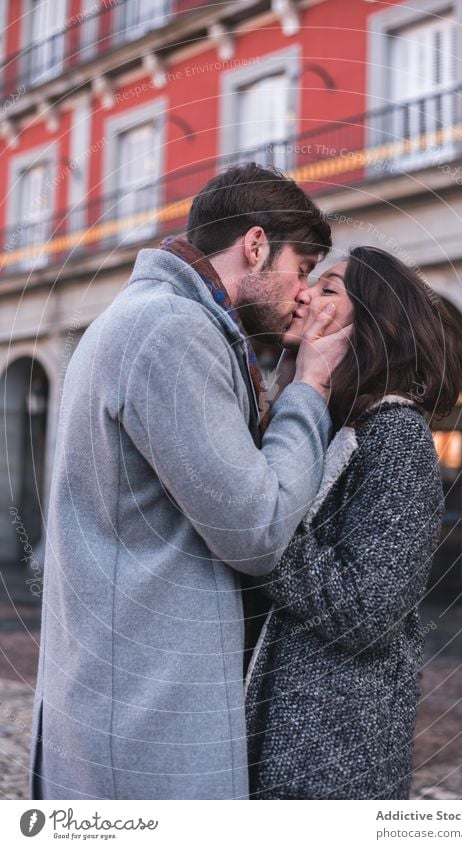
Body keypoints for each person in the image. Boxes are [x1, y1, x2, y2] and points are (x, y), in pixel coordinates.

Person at [30, 163, 349, 800]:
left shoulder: (151, 317)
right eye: (303, 267)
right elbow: (254, 528)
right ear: (254, 246)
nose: (306, 292)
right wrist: (310, 388)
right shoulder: (173, 331)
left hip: (124, 702)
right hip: (148, 723)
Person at [246, 246, 462, 799]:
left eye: (329, 290)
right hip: (276, 733)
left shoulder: (396, 436)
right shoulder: (322, 421)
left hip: (332, 754)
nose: (303, 295)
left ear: (372, 321)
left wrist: (252, 524)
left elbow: (369, 611)